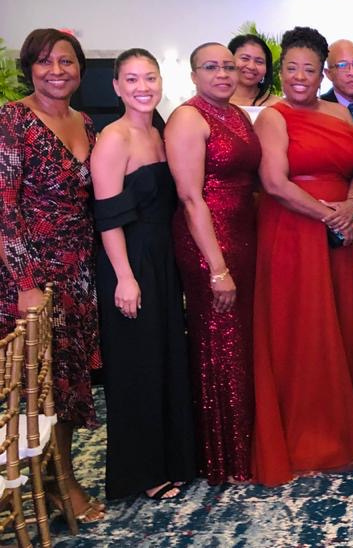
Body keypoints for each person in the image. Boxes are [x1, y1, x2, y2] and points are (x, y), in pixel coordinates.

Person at [250, 27, 353, 483]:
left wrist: (349, 207)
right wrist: (330, 217)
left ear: (321, 72)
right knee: (301, 327)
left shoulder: (340, 114)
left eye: (309, 69)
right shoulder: (273, 115)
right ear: (280, 70)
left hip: (337, 234)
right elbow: (274, 183)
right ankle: (307, 434)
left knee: (341, 322)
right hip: (293, 230)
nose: (300, 77)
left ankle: (347, 425)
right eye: (291, 68)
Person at [0, 28, 104, 522]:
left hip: (79, 273)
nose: (56, 71)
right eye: (45, 62)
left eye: (66, 61)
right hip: (33, 277)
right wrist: (24, 286)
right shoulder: (12, 120)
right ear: (30, 68)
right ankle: (62, 484)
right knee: (39, 386)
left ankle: (54, 478)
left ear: (80, 69)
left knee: (66, 383)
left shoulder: (85, 121)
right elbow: (4, 210)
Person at [91, 48, 195, 501]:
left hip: (160, 258)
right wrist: (125, 278)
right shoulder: (114, 138)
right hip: (128, 260)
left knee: (164, 357)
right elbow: (108, 214)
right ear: (116, 87)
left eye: (149, 78)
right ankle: (142, 473)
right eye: (131, 80)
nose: (142, 87)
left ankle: (170, 458)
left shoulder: (157, 131)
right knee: (137, 367)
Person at [166, 42, 261, 485]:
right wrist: (217, 267)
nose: (223, 73)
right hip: (210, 244)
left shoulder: (237, 114)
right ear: (193, 74)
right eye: (211, 67)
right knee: (218, 344)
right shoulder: (189, 116)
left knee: (240, 341)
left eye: (228, 65)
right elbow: (189, 197)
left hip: (244, 237)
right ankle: (222, 456)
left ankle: (246, 442)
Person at [228, 33, 280, 117]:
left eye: (259, 61)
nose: (251, 66)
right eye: (245, 58)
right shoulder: (214, 102)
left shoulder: (279, 105)